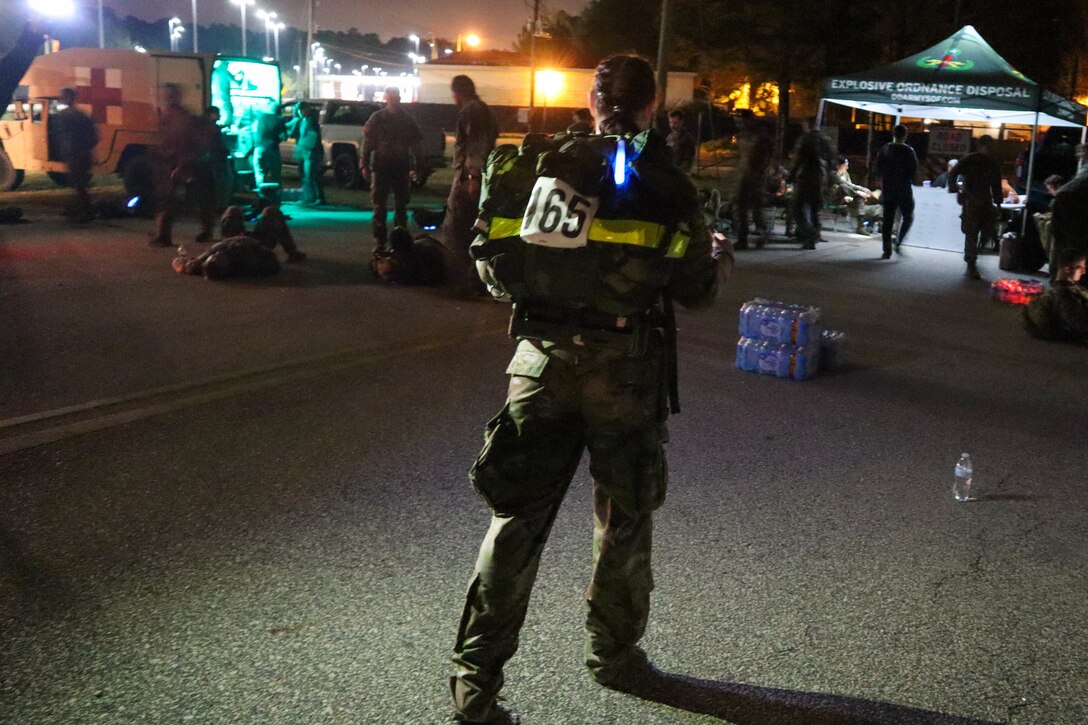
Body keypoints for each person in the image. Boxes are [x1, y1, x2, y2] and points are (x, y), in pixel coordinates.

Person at [450, 54, 725, 725]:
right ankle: (614, 654)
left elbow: (490, 269)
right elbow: (696, 291)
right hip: (624, 374)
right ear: (651, 104)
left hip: (538, 365)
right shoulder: (664, 183)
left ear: (590, 98)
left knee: (515, 521)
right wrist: (712, 255)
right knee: (623, 519)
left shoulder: (528, 165)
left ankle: (473, 682)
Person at [441, 75, 499, 294]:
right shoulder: (485, 109)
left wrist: (472, 179)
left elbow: (476, 146)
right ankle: (477, 277)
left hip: (469, 179)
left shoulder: (471, 111)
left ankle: (462, 279)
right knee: (477, 228)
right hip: (483, 178)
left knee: (455, 227)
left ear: (458, 92)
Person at [151, 84, 213, 247]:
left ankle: (205, 230)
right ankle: (165, 234)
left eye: (170, 94)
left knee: (189, 199)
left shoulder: (182, 117)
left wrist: (183, 163)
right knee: (170, 200)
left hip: (184, 163)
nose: (167, 97)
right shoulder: (169, 116)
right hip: (174, 163)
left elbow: (189, 142)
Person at [361, 87, 422, 252]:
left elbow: (416, 143)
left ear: (399, 98)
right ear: (386, 98)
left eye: (396, 97)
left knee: (401, 206)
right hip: (381, 167)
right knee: (379, 206)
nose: (393, 100)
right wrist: (364, 164)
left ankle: (400, 243)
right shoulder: (377, 118)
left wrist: (417, 165)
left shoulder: (407, 119)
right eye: (390, 97)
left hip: (401, 167)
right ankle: (380, 242)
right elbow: (368, 144)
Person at [955, 134, 1002, 279]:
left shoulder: (992, 163)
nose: (989, 149)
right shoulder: (970, 160)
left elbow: (996, 185)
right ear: (980, 146)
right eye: (987, 146)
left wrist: (998, 202)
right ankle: (971, 262)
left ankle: (976, 252)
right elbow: (953, 174)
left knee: (988, 229)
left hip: (986, 200)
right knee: (971, 232)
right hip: (971, 200)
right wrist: (958, 191)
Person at [1022, 248, 1088, 342]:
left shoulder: (1069, 289)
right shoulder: (1064, 295)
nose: (1084, 272)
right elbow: (1081, 324)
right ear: (1068, 269)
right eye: (1081, 268)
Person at [789, 118, 835, 250]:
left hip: (806, 177)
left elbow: (798, 160)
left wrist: (790, 176)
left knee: (798, 209)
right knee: (814, 209)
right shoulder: (826, 140)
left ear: (807, 124)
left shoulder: (805, 139)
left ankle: (809, 234)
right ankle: (815, 236)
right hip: (821, 179)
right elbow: (832, 161)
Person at [54, 87, 98, 223]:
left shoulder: (66, 115)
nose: (61, 99)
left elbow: (62, 136)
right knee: (78, 184)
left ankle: (87, 212)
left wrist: (77, 150)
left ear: (69, 98)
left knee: (79, 185)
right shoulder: (82, 115)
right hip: (78, 154)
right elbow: (94, 136)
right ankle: (82, 210)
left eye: (63, 96)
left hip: (75, 155)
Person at [732, 109, 773, 249]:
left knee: (757, 207)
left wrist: (762, 172)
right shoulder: (741, 135)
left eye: (741, 120)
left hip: (757, 176)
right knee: (740, 206)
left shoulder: (761, 135)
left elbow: (767, 156)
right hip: (744, 174)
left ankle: (763, 232)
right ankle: (742, 237)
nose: (738, 123)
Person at [875, 123, 917, 259]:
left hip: (888, 188)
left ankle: (886, 250)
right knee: (908, 216)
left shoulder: (884, 149)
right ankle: (898, 241)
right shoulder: (909, 151)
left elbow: (878, 169)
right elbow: (913, 172)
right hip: (904, 189)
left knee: (888, 219)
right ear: (905, 135)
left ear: (893, 134)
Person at [1051, 144, 1088, 263]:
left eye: (1081, 152)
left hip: (1072, 212)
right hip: (1074, 217)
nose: (1078, 155)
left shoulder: (1084, 172)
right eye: (1078, 152)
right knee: (1071, 249)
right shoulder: (1083, 172)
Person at [831, 156, 882, 235]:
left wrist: (863, 190)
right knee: (843, 187)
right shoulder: (833, 174)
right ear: (838, 166)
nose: (847, 167)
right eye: (845, 165)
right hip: (834, 199)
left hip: (848, 198)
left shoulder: (846, 174)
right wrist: (859, 192)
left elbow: (851, 185)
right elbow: (845, 185)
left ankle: (861, 226)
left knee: (864, 200)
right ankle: (867, 197)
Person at [287, 103, 325, 207]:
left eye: (301, 110)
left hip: (311, 153)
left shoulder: (311, 121)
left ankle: (315, 197)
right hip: (306, 153)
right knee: (308, 176)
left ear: (306, 109)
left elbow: (313, 138)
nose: (300, 112)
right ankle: (313, 197)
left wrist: (306, 147)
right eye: (298, 110)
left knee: (311, 176)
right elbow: (292, 132)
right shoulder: (303, 121)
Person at [252, 99, 287, 204]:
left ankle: (261, 196)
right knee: (276, 174)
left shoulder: (261, 117)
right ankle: (277, 198)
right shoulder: (280, 120)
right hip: (273, 149)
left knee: (260, 172)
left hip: (259, 149)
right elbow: (284, 137)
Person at [201, 106, 233, 211]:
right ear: (211, 115)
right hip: (218, 159)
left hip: (217, 158)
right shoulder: (212, 128)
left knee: (221, 182)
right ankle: (221, 206)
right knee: (223, 182)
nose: (219, 115)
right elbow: (214, 144)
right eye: (217, 113)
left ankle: (220, 204)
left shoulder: (210, 127)